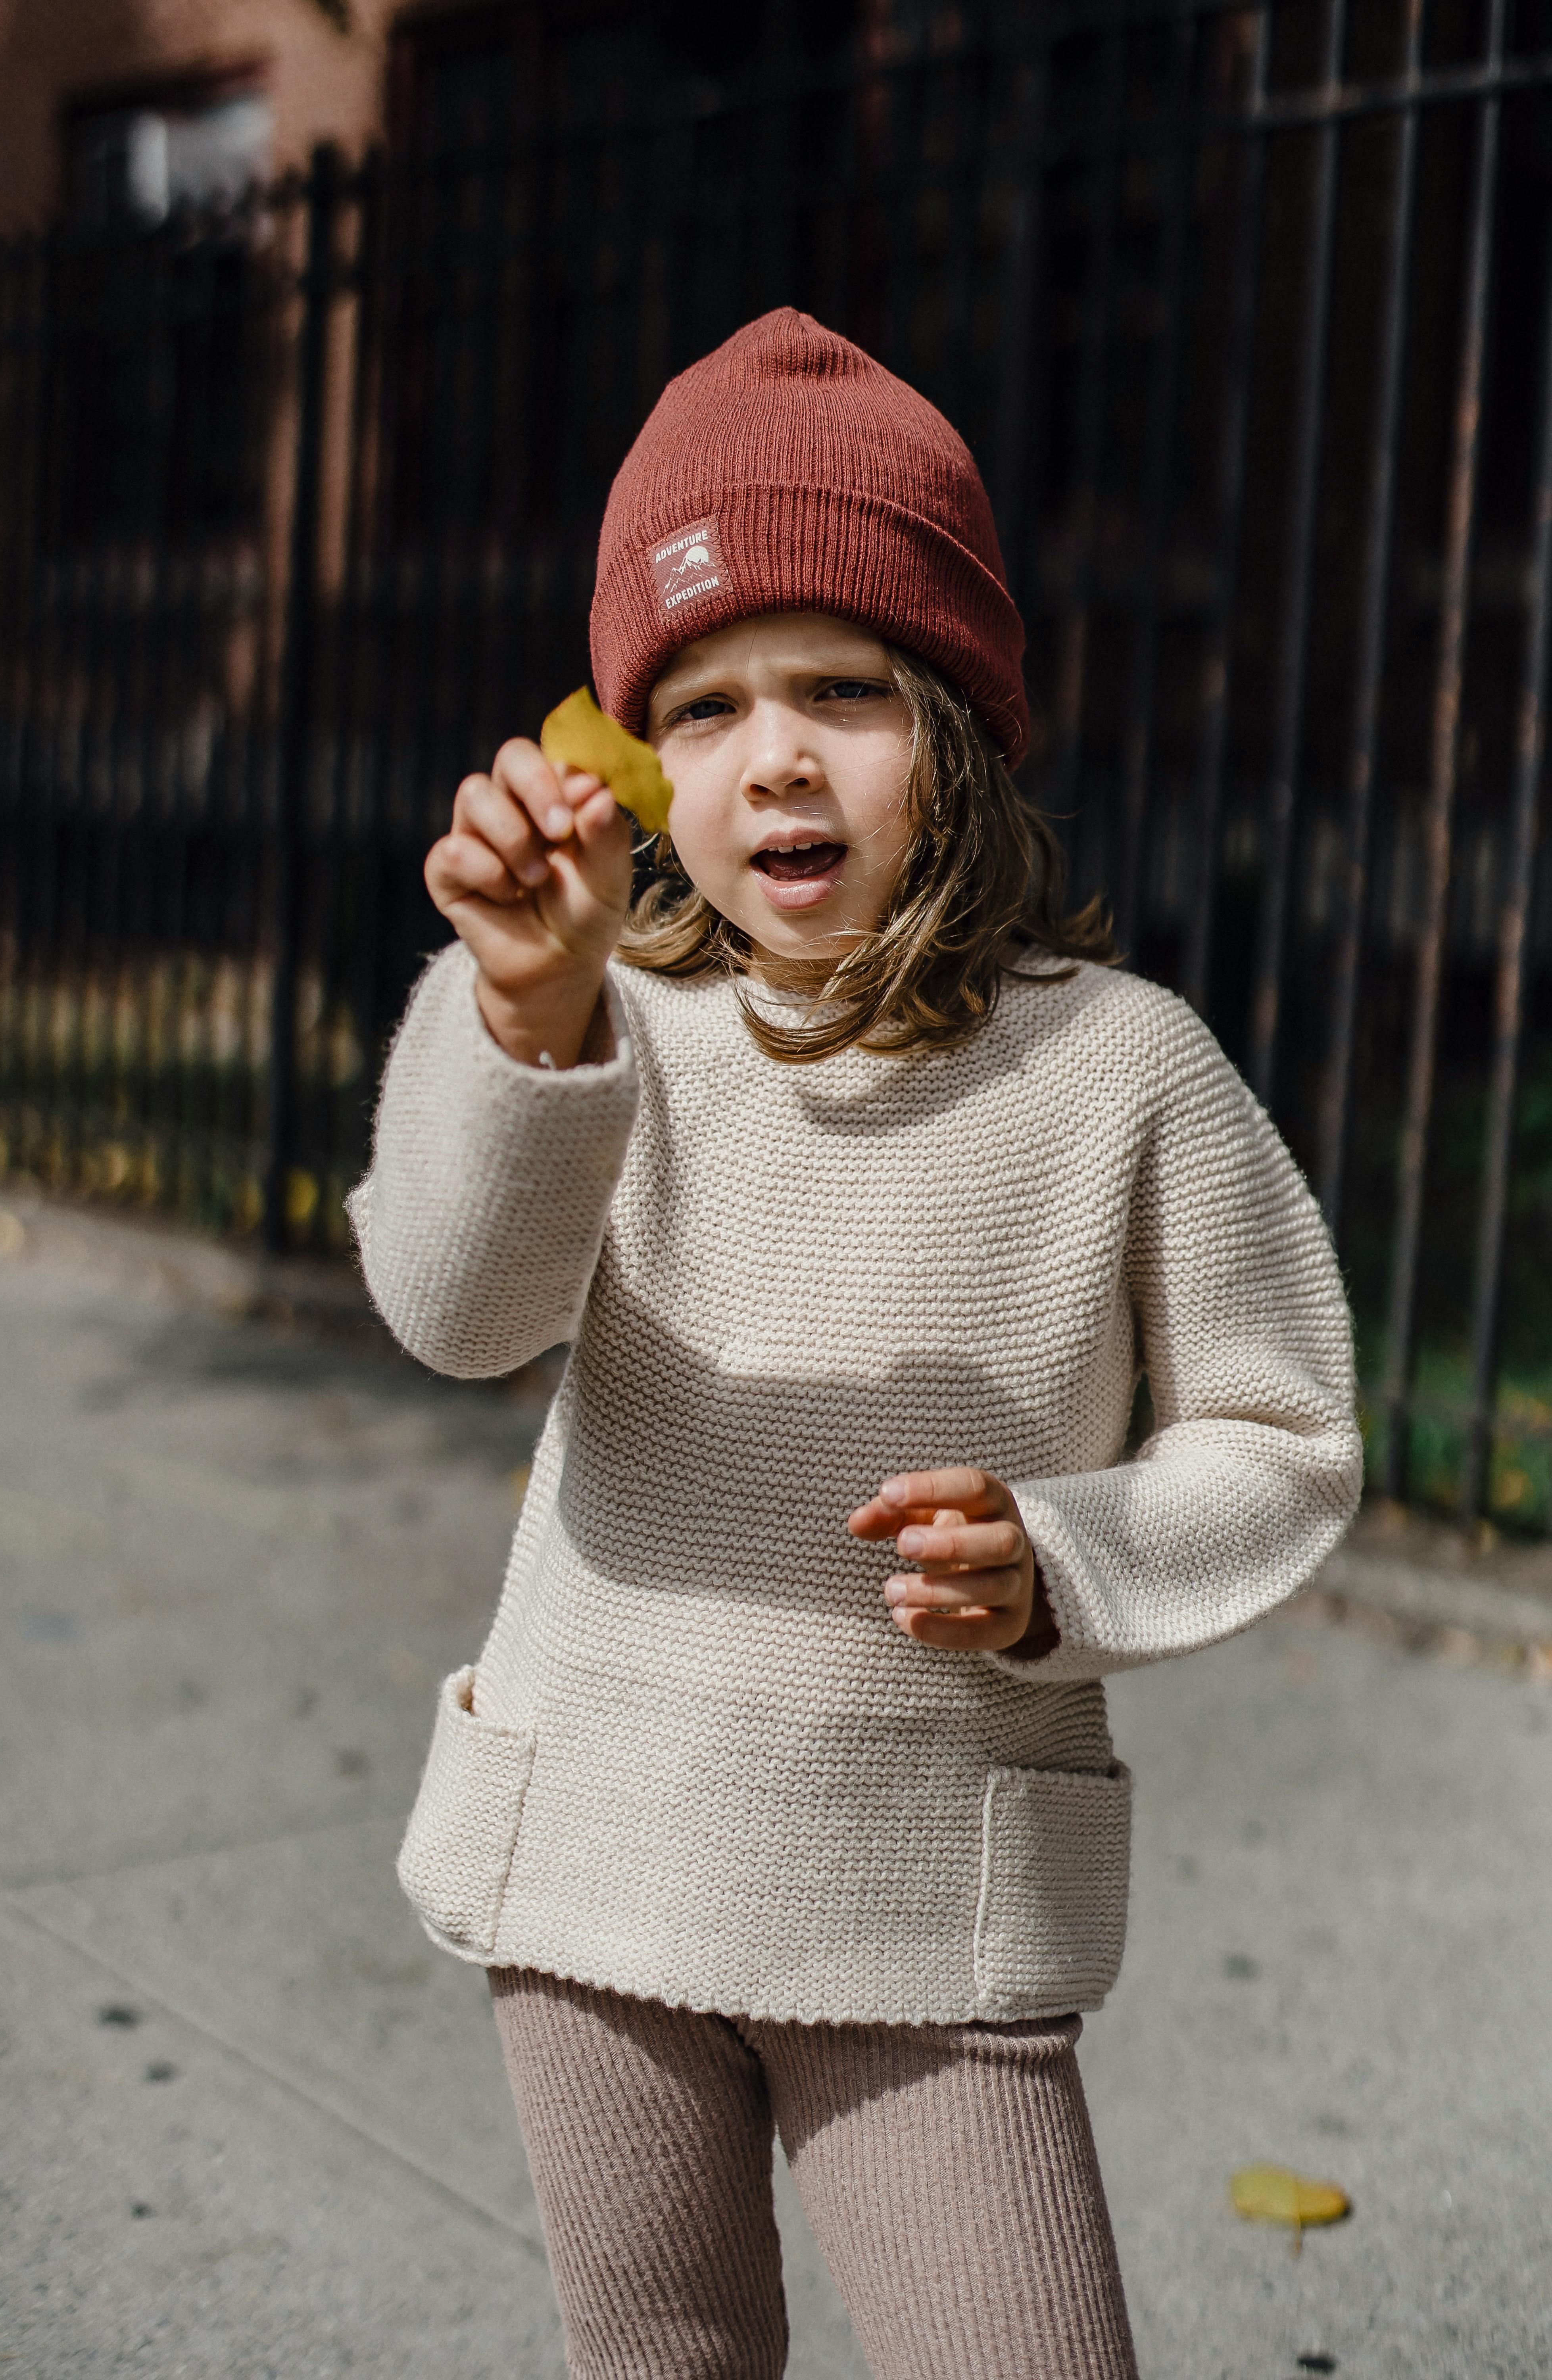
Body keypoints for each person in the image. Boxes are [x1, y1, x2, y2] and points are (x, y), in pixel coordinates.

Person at [350, 309, 1360, 2380]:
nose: (774, 754)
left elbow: (1283, 1428)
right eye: (702, 707)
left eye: (841, 688)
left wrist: (1065, 1555)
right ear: (643, 762)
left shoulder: (1122, 1073)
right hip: (598, 1887)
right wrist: (527, 1018)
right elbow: (452, 1310)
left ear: (963, 722)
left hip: (921, 1907)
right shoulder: (612, 1035)